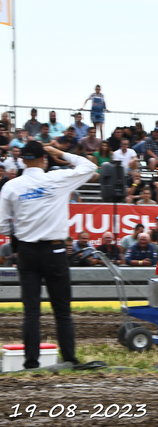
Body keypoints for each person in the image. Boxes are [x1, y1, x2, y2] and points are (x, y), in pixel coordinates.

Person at [0, 141, 97, 369]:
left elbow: (4, 227)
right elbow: (90, 167)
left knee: (31, 311)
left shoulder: (11, 186)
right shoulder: (57, 179)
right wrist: (61, 153)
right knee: (62, 311)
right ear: (45, 159)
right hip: (55, 250)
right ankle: (70, 359)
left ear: (22, 160)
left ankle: (31, 362)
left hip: (26, 251)